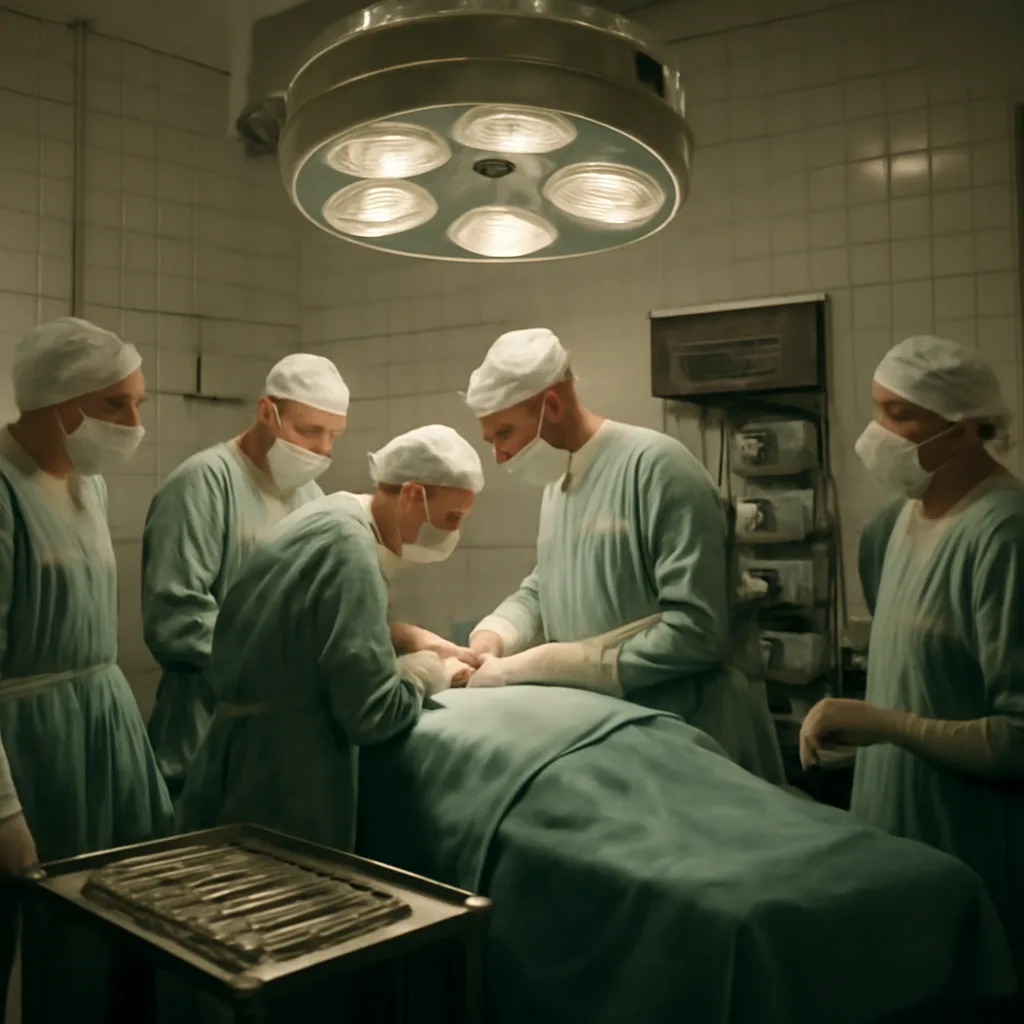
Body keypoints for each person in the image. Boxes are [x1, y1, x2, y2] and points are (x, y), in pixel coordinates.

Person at [460, 328, 782, 781]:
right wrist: (493, 636)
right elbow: (545, 585)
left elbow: (698, 632)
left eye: (504, 433)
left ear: (552, 404)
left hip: (691, 737)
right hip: (612, 736)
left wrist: (561, 664)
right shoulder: (558, 484)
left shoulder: (657, 468)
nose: (499, 456)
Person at [800, 335, 1024, 979]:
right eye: (877, 408)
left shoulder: (1004, 534)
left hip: (971, 855)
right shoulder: (892, 525)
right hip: (894, 841)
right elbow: (923, 677)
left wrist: (883, 724)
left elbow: (1017, 737)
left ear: (963, 431)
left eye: (900, 415)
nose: (878, 433)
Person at [176, 424, 485, 851]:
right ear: (412, 495)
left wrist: (407, 638)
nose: (452, 533)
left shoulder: (331, 515)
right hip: (283, 778)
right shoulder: (349, 548)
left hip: (243, 756)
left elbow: (303, 626)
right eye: (452, 518)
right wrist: (428, 672)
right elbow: (373, 714)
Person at [0, 317, 173, 1022]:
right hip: (31, 747)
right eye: (113, 405)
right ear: (56, 402)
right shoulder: (4, 489)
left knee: (122, 917)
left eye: (137, 403)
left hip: (105, 728)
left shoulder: (87, 485)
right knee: (44, 932)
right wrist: (4, 808)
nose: (132, 423)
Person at [141, 353, 349, 802]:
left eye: (334, 434)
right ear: (266, 412)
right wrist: (283, 661)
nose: (323, 448)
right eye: (310, 430)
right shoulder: (203, 483)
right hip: (207, 723)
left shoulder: (310, 496)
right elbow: (176, 619)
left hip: (285, 730)